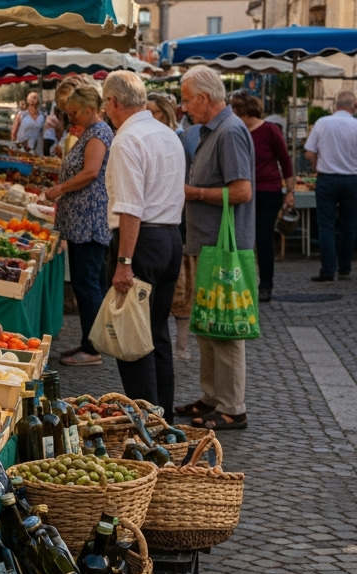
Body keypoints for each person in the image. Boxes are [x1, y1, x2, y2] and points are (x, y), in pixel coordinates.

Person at [101, 71, 186, 422]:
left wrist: (124, 261)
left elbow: (131, 208)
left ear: (113, 102)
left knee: (132, 338)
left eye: (106, 102)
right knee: (156, 332)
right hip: (169, 237)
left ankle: (145, 420)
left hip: (141, 240)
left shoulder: (126, 139)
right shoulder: (167, 134)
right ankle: (162, 415)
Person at [177, 65, 255, 432]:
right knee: (207, 325)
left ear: (204, 98)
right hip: (205, 244)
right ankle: (211, 397)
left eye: (187, 99)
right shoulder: (213, 130)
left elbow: (242, 191)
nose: (184, 107)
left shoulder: (230, 131)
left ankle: (231, 406)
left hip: (224, 248)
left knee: (224, 330)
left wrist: (195, 193)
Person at [43, 83, 113, 367]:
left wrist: (59, 190)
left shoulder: (98, 133)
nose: (70, 117)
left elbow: (91, 172)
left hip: (90, 222)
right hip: (82, 221)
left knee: (88, 285)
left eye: (73, 112)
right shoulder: (90, 132)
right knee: (86, 283)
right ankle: (87, 341)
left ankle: (93, 348)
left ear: (89, 109)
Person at [232, 91, 294, 301]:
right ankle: (242, 280)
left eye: (236, 111)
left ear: (246, 112)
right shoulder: (236, 130)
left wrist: (290, 191)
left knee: (262, 238)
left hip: (267, 191)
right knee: (240, 238)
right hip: (241, 191)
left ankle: (266, 284)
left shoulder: (269, 130)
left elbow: (285, 160)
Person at [148, 91, 195, 360]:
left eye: (153, 112)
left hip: (176, 220)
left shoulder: (177, 139)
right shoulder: (156, 138)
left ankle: (181, 343)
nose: (149, 116)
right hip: (168, 220)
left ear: (165, 114)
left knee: (180, 284)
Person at [304, 90, 357, 282]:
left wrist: (315, 166)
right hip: (352, 179)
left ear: (336, 105)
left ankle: (327, 270)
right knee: (348, 226)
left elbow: (309, 153)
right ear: (354, 106)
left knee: (326, 225)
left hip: (327, 178)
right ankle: (344, 268)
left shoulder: (322, 123)